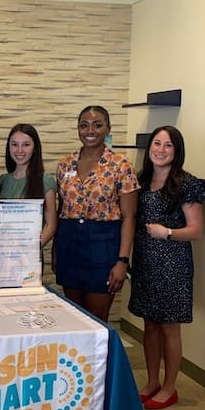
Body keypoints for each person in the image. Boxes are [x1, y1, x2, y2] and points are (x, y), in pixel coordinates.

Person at [128, 127, 203, 410]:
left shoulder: (186, 183)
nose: (161, 149)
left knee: (170, 327)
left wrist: (168, 232)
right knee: (149, 325)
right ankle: (151, 382)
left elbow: (197, 230)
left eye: (168, 145)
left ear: (177, 150)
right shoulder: (141, 180)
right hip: (146, 262)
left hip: (174, 263)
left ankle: (170, 387)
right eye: (157, 144)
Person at [55, 105, 139, 322]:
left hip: (103, 246)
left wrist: (122, 261)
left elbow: (129, 217)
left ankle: (100, 358)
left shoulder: (121, 165)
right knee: (73, 318)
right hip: (70, 245)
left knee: (97, 320)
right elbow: (60, 209)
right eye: (83, 125)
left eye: (97, 125)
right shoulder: (65, 164)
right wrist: (55, 249)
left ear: (108, 128)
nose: (89, 131)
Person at [0, 124, 57, 248]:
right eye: (14, 144)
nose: (19, 150)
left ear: (35, 148)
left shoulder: (45, 180)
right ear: (8, 147)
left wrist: (30, 250)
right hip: (3, 254)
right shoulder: (4, 180)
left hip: (30, 256)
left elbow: (51, 225)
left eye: (26, 145)